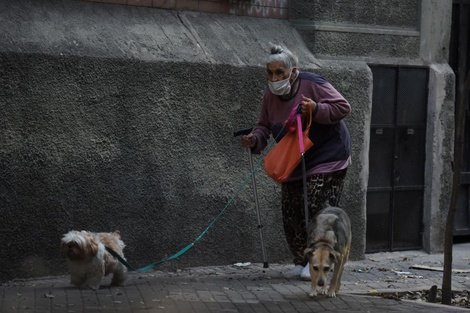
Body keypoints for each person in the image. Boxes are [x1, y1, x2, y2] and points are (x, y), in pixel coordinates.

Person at [240, 43, 351, 280]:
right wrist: (255, 139)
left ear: (293, 71)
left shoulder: (312, 83)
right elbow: (264, 126)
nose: (274, 78)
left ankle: (322, 263)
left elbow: (343, 107)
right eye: (270, 73)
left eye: (279, 72)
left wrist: (316, 108)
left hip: (327, 154)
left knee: (317, 206)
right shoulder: (270, 95)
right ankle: (302, 259)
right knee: (291, 211)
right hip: (295, 157)